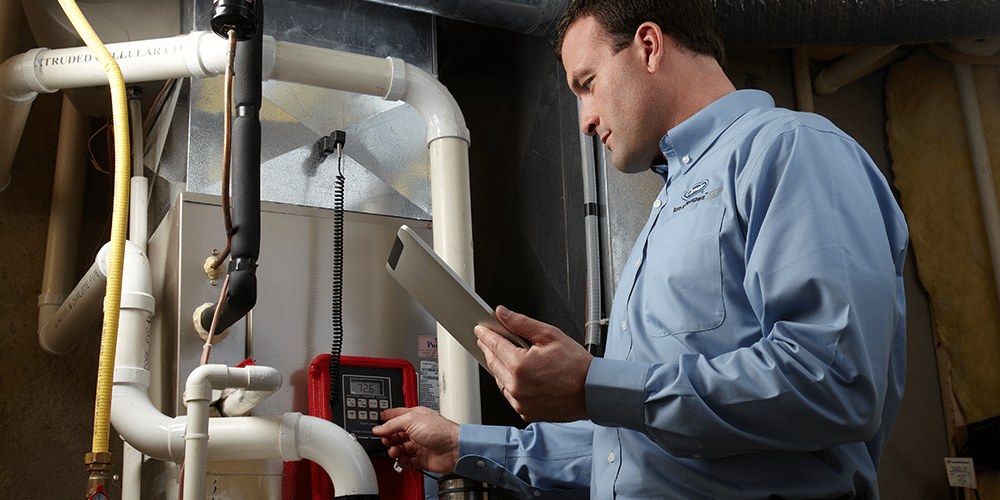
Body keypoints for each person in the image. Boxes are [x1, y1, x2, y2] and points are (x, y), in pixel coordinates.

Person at [373, 0, 909, 497]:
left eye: (587, 83)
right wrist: (465, 445)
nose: (584, 120)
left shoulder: (791, 149)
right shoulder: (667, 207)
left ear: (649, 47)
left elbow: (834, 381)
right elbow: (631, 449)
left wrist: (593, 386)